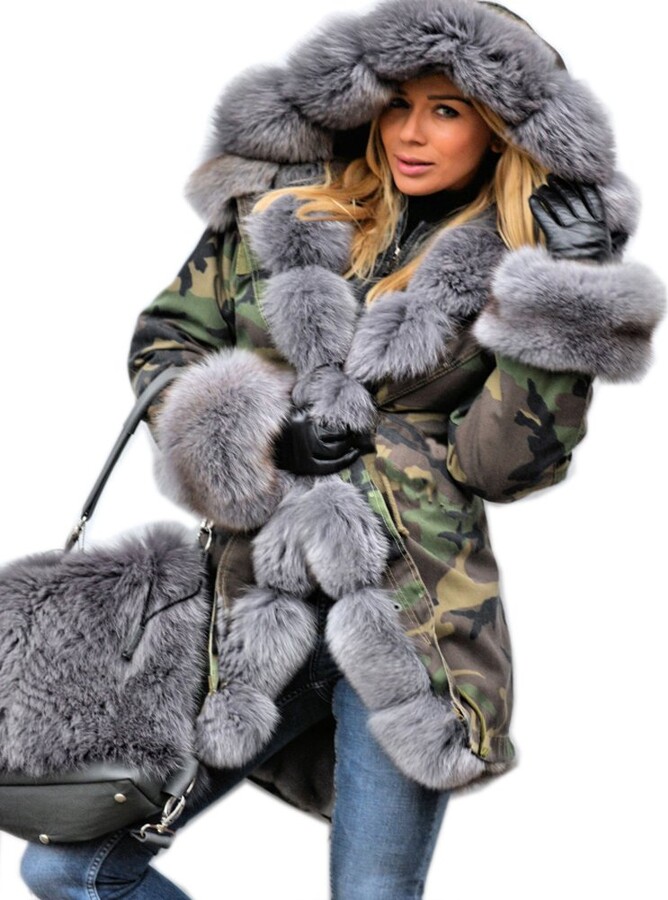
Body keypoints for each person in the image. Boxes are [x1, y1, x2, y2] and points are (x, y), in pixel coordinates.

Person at [20, 0, 665, 897]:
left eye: (446, 110)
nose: (410, 132)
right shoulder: (277, 211)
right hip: (252, 608)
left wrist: (566, 299)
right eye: (398, 103)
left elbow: (499, 467)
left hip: (414, 620)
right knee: (70, 866)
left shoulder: (526, 263)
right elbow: (167, 344)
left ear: (501, 129)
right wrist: (256, 430)